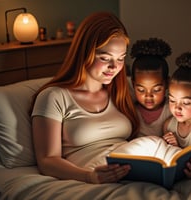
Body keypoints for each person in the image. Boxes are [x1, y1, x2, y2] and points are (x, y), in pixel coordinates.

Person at [31, 12, 139, 184]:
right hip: (92, 174)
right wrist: (89, 176)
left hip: (131, 168)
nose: (114, 67)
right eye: (105, 58)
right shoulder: (54, 97)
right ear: (85, 53)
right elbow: (47, 161)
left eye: (121, 59)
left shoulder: (121, 91)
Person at [130, 38, 172, 137]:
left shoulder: (172, 110)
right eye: (141, 90)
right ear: (133, 84)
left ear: (167, 83)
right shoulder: (131, 111)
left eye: (156, 90)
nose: (148, 96)